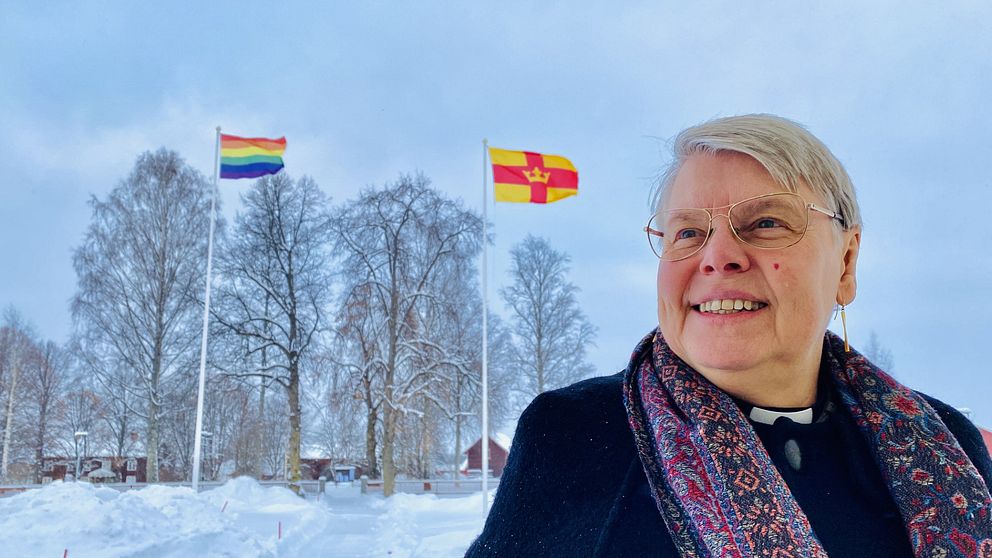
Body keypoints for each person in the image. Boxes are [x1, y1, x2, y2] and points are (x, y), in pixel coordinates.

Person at [465, 114, 992, 557]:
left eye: (765, 222)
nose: (717, 257)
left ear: (847, 263)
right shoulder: (572, 436)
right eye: (689, 231)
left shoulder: (952, 446)